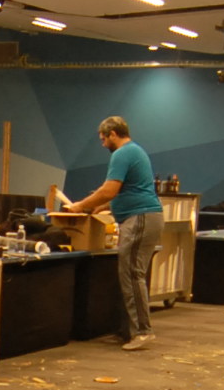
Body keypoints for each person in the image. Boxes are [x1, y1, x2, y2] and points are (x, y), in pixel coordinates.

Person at [52, 114, 164, 352]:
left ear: (113, 134)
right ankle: (128, 330)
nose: (102, 144)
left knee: (132, 275)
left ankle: (142, 332)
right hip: (143, 217)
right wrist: (100, 206)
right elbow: (123, 193)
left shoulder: (122, 154)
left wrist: (80, 206)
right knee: (130, 275)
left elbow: (109, 190)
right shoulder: (135, 152)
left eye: (103, 139)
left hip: (140, 219)